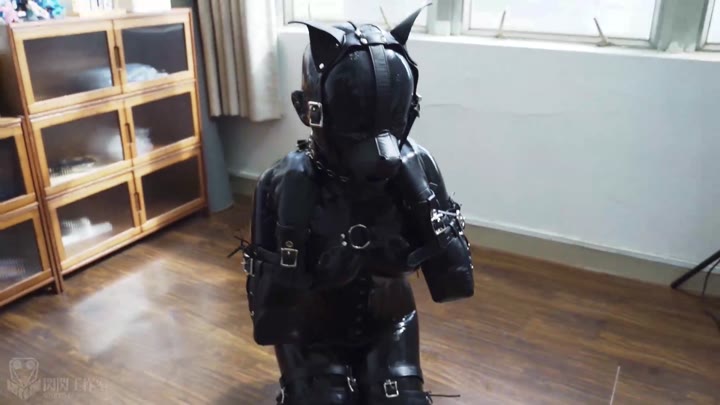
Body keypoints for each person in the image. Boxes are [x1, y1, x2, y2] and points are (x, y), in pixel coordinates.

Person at [233, 5, 475, 404]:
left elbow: (455, 285)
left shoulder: (417, 167)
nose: (380, 150)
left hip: (390, 326)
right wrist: (298, 250)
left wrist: (422, 201)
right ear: (305, 109)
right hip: (308, 334)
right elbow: (270, 320)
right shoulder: (283, 182)